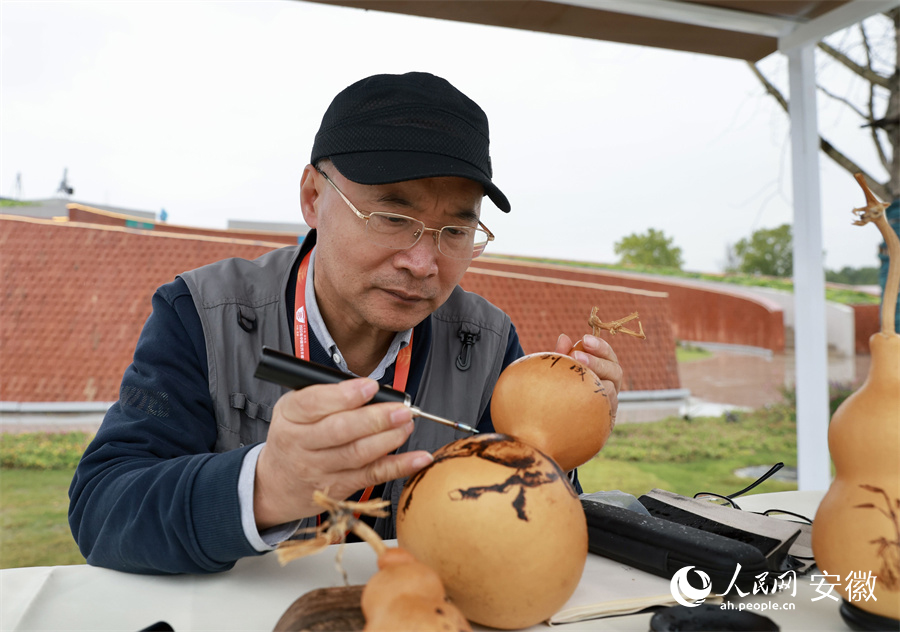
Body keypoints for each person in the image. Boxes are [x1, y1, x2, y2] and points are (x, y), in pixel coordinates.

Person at [68, 72, 623, 575]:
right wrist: (269, 485)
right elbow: (102, 508)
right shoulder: (203, 313)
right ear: (313, 197)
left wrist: (557, 450)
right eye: (391, 217)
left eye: (455, 231)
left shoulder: (487, 343)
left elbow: (521, 524)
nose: (422, 263)